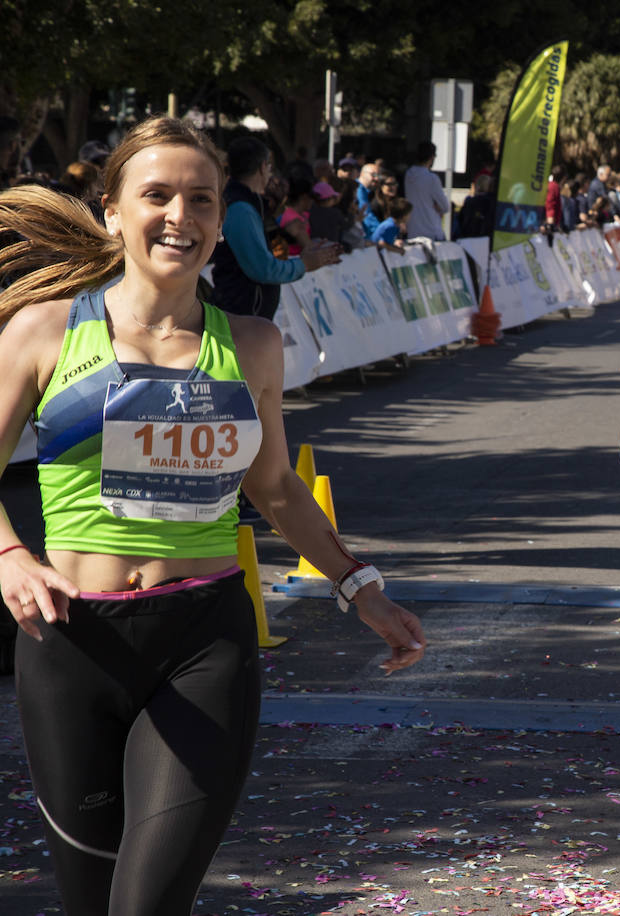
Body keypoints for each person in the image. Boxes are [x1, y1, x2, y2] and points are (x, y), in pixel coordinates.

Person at [0, 115, 426, 915]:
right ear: (111, 211)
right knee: (91, 901)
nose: (181, 217)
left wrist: (360, 587)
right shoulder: (45, 329)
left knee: (148, 903)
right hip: (69, 646)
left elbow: (276, 491)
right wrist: (9, 556)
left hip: (203, 644)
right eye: (156, 195)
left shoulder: (255, 344)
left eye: (202, 199)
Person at [209, 135, 340, 320]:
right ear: (263, 167)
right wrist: (304, 264)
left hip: (244, 318)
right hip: (240, 319)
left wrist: (308, 252)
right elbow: (262, 269)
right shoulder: (241, 209)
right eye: (269, 167)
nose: (271, 174)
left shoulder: (247, 204)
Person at [403, 141, 450, 241]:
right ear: (432, 157)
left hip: (413, 230)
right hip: (431, 231)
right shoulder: (432, 178)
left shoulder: (408, 175)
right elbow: (445, 206)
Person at [457, 173, 495, 238]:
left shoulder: (469, 201)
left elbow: (460, 219)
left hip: (467, 236)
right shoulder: (491, 202)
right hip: (484, 237)